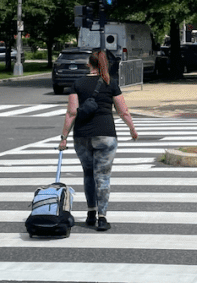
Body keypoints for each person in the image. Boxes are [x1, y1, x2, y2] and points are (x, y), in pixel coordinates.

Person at [59, 49, 138, 231]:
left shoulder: (78, 84)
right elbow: (123, 111)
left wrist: (64, 138)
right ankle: (102, 218)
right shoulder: (111, 83)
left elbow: (71, 113)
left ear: (89, 64)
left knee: (88, 174)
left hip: (82, 136)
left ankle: (90, 213)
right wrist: (132, 129)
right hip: (106, 135)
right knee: (102, 177)